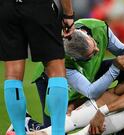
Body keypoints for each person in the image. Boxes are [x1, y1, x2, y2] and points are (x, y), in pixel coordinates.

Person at [26, 23, 124, 135]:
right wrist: (76, 104)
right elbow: (113, 92)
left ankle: (41, 129)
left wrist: (102, 111)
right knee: (113, 98)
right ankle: (46, 132)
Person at [6, 18, 124, 134]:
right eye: (91, 55)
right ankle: (27, 123)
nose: (97, 50)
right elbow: (91, 92)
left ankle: (118, 113)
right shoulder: (62, 62)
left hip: (90, 72)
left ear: (85, 34)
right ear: (74, 58)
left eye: (94, 44)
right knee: (57, 129)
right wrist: (114, 69)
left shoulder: (99, 28)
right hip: (50, 80)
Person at [0, 0, 74, 134]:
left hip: (7, 8)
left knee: (12, 74)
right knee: (56, 69)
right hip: (38, 6)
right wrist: (68, 14)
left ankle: (18, 131)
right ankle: (57, 132)